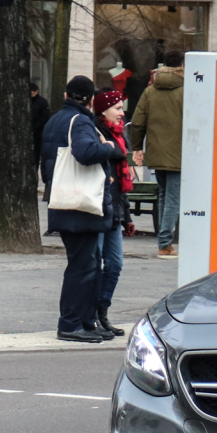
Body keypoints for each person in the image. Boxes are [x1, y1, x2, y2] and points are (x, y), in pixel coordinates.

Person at [41, 75, 124, 343]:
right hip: (80, 204)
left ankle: (86, 323)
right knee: (83, 266)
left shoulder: (55, 120)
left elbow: (46, 161)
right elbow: (85, 152)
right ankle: (71, 323)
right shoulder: (81, 122)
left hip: (63, 199)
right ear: (89, 100)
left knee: (87, 264)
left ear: (66, 95)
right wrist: (108, 147)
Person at [131, 50, 184, 258]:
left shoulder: (150, 91)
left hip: (157, 151)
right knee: (173, 198)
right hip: (180, 151)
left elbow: (137, 121)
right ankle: (164, 243)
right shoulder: (188, 89)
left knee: (163, 194)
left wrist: (137, 146)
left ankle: (164, 241)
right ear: (181, 65)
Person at [91, 89, 132, 336]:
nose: (121, 112)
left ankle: (102, 310)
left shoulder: (118, 136)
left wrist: (127, 216)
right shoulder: (98, 133)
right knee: (95, 263)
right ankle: (92, 314)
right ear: (103, 110)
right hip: (98, 207)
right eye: (117, 107)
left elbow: (120, 178)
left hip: (114, 207)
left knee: (114, 264)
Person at [29, 81, 50, 167]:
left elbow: (44, 118)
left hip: (38, 133)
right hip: (34, 131)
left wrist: (35, 127)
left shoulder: (42, 102)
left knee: (36, 154)